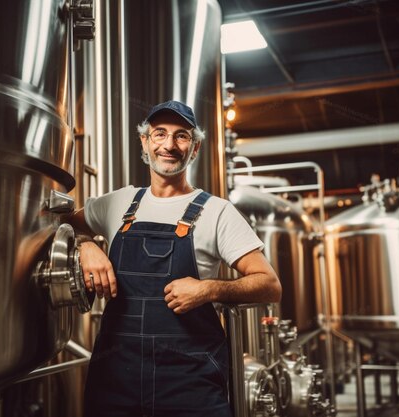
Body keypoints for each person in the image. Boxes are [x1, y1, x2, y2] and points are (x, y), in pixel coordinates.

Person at [64, 100, 281, 417]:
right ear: (145, 142)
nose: (169, 145)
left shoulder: (217, 212)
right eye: (159, 134)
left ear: (195, 148)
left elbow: (269, 286)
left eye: (181, 136)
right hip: (115, 382)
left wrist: (208, 289)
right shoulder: (118, 203)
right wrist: (85, 244)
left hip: (190, 385)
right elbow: (60, 225)